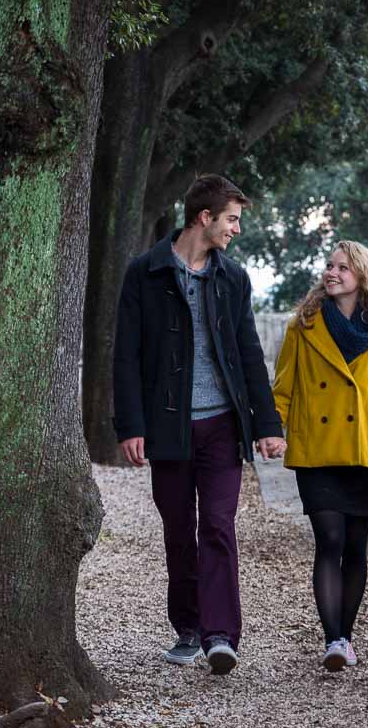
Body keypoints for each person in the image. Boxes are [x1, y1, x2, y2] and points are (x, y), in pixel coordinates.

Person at [113, 174, 285, 675]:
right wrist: (130, 425)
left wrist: (266, 424)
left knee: (217, 525)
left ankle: (220, 636)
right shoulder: (142, 273)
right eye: (231, 219)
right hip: (168, 429)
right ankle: (188, 628)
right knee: (177, 531)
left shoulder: (233, 278)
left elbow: (249, 355)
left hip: (222, 426)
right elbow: (126, 356)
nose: (235, 229)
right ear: (204, 218)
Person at [272, 240, 368, 672]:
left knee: (356, 547)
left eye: (342, 268)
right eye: (329, 266)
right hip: (317, 451)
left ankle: (345, 637)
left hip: (365, 455)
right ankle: (333, 639)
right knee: (328, 540)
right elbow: (283, 388)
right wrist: (271, 432)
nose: (331, 273)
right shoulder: (303, 325)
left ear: (362, 277)